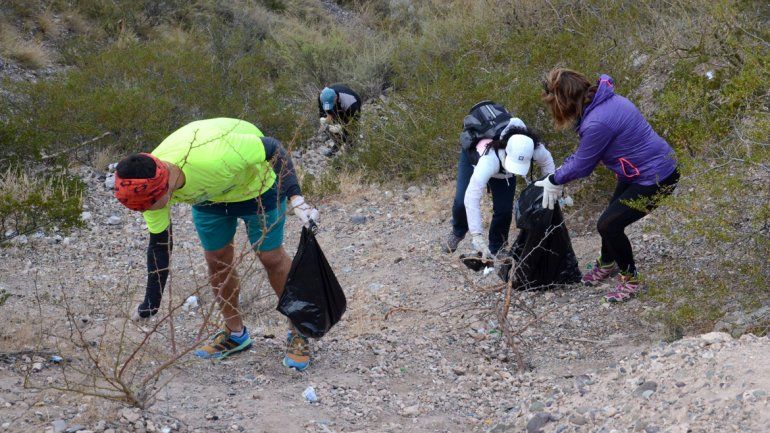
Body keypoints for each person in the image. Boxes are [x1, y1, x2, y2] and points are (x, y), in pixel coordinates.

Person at [113, 118, 319, 371]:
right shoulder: (146, 189)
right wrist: (150, 304)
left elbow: (273, 148)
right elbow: (160, 246)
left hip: (256, 188)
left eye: (150, 206)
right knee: (217, 260)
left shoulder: (215, 155)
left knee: (271, 257)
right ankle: (235, 334)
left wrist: (296, 198)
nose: (147, 211)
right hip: (209, 200)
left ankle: (299, 331)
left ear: (164, 187)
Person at [537, 68, 679, 302]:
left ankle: (631, 280)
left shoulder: (597, 122)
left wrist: (554, 179)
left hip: (657, 177)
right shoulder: (608, 100)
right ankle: (607, 262)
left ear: (565, 101)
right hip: (640, 172)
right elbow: (583, 154)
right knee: (610, 218)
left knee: (608, 225)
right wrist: (557, 175)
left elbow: (582, 165)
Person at [443, 117, 556, 258]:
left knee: (504, 209)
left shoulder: (532, 148)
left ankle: (498, 247)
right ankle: (458, 232)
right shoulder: (489, 160)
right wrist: (477, 235)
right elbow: (472, 196)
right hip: (473, 158)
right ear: (507, 152)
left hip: (503, 174)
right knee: (461, 202)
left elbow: (547, 162)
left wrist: (550, 186)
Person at [318, 83, 361, 153]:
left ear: (335, 98)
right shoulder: (322, 97)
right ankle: (337, 145)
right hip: (336, 103)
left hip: (352, 105)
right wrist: (324, 121)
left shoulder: (351, 103)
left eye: (330, 104)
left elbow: (353, 123)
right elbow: (322, 112)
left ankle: (351, 152)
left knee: (351, 132)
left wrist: (342, 127)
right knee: (329, 126)